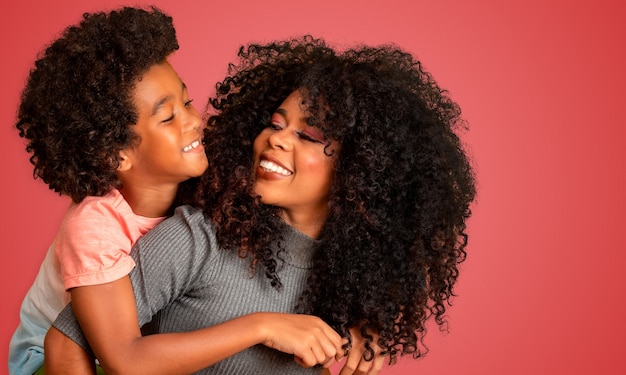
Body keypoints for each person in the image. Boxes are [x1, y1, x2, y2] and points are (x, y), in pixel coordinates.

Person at [47, 35, 476, 375]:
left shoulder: (350, 281)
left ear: (363, 171)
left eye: (308, 136)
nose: (276, 139)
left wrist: (367, 322)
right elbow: (74, 343)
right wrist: (262, 326)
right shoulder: (198, 235)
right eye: (274, 124)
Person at [8, 6, 209, 375]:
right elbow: (123, 359)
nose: (194, 120)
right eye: (168, 117)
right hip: (49, 359)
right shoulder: (94, 228)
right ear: (116, 155)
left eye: (188, 101)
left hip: (126, 347)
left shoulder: (201, 192)